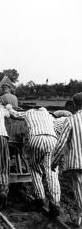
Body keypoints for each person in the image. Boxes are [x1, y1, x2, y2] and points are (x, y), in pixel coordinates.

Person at [9, 107, 61, 217]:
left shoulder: (29, 112)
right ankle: (55, 204)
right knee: (52, 172)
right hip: (52, 140)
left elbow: (15, 114)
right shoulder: (49, 116)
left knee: (35, 168)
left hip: (36, 138)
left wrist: (8, 107)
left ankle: (39, 198)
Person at [52, 92, 82, 227]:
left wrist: (54, 161)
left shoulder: (71, 120)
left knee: (80, 191)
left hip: (77, 162)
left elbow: (60, 144)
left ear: (75, 104)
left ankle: (80, 221)